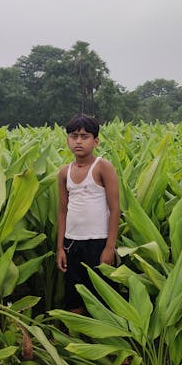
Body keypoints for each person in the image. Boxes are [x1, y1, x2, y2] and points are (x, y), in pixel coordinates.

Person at [56, 114, 120, 312]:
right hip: (72, 243)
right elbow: (63, 211)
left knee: (102, 297)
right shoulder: (64, 172)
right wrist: (60, 248)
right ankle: (76, 339)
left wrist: (110, 247)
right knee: (74, 296)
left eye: (84, 136)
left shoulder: (102, 167)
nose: (78, 141)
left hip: (98, 243)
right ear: (67, 140)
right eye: (74, 136)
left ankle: (102, 339)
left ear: (95, 141)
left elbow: (115, 208)